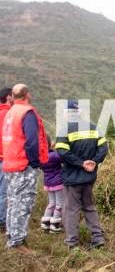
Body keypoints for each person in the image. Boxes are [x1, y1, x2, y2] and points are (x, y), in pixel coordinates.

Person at [55, 100, 108, 249]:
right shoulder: (93, 127)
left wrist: (80, 163)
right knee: (90, 207)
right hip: (89, 177)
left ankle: (72, 243)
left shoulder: (64, 130)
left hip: (72, 178)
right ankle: (98, 238)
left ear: (67, 113)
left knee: (72, 210)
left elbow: (62, 152)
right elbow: (104, 147)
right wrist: (94, 162)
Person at [2, 84, 48, 253]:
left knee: (13, 202)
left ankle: (11, 237)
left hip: (10, 164)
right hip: (24, 165)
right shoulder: (27, 113)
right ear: (27, 94)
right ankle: (17, 242)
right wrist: (35, 163)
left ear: (13, 96)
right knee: (23, 203)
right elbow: (31, 141)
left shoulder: (10, 113)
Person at [40, 135, 64, 233]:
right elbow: (62, 156)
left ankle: (45, 223)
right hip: (57, 183)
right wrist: (57, 147)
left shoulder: (41, 157)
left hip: (48, 183)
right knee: (59, 204)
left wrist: (50, 148)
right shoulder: (54, 156)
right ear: (50, 144)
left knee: (51, 203)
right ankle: (55, 225)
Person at [0, 88, 13, 233]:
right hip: (6, 158)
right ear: (8, 97)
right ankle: (2, 221)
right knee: (4, 192)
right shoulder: (9, 115)